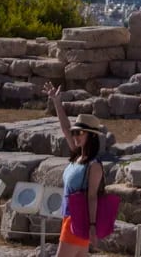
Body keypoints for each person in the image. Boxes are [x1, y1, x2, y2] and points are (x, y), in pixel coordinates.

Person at [44, 81, 106, 256]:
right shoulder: (78, 156)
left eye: (80, 133)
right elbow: (65, 128)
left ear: (91, 136)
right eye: (75, 132)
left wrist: (92, 227)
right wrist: (57, 102)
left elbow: (92, 197)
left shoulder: (93, 165)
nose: (75, 135)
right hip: (70, 218)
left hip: (78, 220)